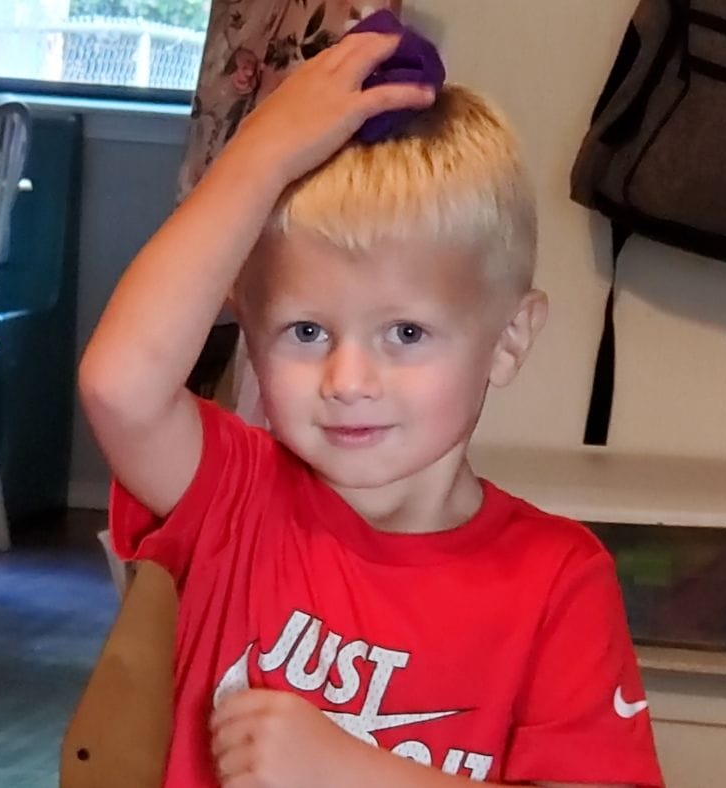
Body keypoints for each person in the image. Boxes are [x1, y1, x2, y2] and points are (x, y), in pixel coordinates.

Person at [79, 19, 664, 788]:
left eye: (408, 331)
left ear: (510, 340)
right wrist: (258, 158)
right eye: (307, 329)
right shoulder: (234, 498)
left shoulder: (558, 581)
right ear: (249, 330)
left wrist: (351, 773)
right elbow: (120, 386)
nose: (347, 379)